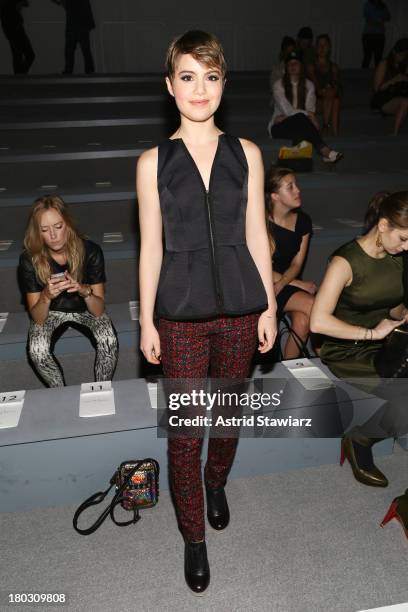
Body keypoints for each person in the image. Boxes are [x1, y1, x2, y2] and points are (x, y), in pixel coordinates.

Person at [136, 30, 276, 594]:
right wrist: (147, 320)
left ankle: (217, 481)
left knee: (230, 415)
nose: (200, 89)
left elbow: (257, 236)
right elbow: (150, 245)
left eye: (211, 77)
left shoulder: (248, 154)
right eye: (188, 77)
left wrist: (266, 306)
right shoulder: (152, 162)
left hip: (243, 308)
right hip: (182, 314)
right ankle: (194, 538)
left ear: (223, 84)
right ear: (170, 86)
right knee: (186, 432)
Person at [310, 191, 408, 491]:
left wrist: (403, 316)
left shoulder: (396, 258)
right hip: (346, 348)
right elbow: (318, 321)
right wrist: (371, 334)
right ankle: (360, 439)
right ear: (382, 225)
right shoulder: (345, 261)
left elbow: (392, 307)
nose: (407, 246)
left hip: (384, 341)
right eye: (403, 238)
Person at [18, 196, 118, 387]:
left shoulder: (90, 251)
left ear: (68, 224)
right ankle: (60, 392)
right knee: (37, 350)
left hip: (85, 309)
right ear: (37, 233)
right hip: (51, 313)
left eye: (58, 226)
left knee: (108, 340)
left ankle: (101, 391)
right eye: (45, 230)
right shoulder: (29, 260)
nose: (53, 235)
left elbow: (98, 310)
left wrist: (84, 290)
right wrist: (46, 296)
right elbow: (38, 318)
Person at [265, 166, 316, 359]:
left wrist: (287, 283)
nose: (298, 190)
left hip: (286, 282)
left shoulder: (303, 221)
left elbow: (297, 264)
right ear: (275, 196)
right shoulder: (261, 222)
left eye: (296, 185)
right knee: (314, 307)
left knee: (303, 321)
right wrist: (298, 284)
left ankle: (290, 368)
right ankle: (330, 356)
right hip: (263, 283)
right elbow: (262, 268)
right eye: (290, 187)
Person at [268, 50, 343, 163]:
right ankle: (325, 151)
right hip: (278, 127)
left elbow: (310, 109)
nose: (293, 66)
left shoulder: (309, 85)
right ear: (286, 67)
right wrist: (308, 115)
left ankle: (297, 156)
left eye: (296, 63)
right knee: (302, 119)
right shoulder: (278, 85)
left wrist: (308, 115)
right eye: (290, 64)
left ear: (301, 66)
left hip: (300, 125)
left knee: (302, 123)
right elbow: (288, 110)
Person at [371, 38, 408, 135]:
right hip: (384, 98)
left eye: (405, 55)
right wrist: (393, 80)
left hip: (400, 95)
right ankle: (395, 133)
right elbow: (377, 89)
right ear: (394, 52)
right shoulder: (384, 64)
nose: (402, 57)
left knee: (405, 100)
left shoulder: (404, 65)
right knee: (405, 102)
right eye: (401, 54)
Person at [307, 34, 342, 136]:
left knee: (335, 99)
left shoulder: (334, 67)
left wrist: (329, 88)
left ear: (329, 47)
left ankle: (329, 129)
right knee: (332, 98)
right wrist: (324, 90)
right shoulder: (311, 66)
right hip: (315, 101)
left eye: (325, 45)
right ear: (316, 47)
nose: (322, 48)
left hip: (329, 97)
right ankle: (328, 127)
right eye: (319, 45)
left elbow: (336, 83)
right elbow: (315, 86)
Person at [51, 0, 95, 74]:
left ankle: (70, 70)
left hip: (76, 26)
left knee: (72, 51)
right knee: (82, 50)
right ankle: (88, 70)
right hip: (79, 25)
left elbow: (62, 3)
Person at [0, 0, 35, 74]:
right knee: (23, 54)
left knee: (19, 54)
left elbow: (25, 3)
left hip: (12, 25)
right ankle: (20, 75)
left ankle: (20, 75)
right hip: (13, 25)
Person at [362, 0, 391, 69]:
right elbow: (373, 17)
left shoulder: (383, 5)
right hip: (369, 34)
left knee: (378, 57)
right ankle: (362, 75)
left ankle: (378, 75)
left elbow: (388, 16)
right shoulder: (368, 4)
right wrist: (380, 19)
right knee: (367, 57)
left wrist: (378, 19)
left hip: (380, 35)